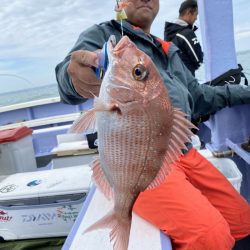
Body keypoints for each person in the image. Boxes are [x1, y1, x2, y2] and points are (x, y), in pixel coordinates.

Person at [55, 0, 250, 249]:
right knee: (210, 236)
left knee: (242, 220)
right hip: (139, 161)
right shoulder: (103, 35)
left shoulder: (168, 50)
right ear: (119, 2)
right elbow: (69, 77)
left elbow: (199, 97)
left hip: (182, 151)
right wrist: (73, 78)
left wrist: (245, 92)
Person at [164, 0, 203, 76]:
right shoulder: (187, 33)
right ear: (189, 12)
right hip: (187, 80)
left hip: (174, 80)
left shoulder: (169, 33)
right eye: (196, 14)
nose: (196, 18)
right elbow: (199, 60)